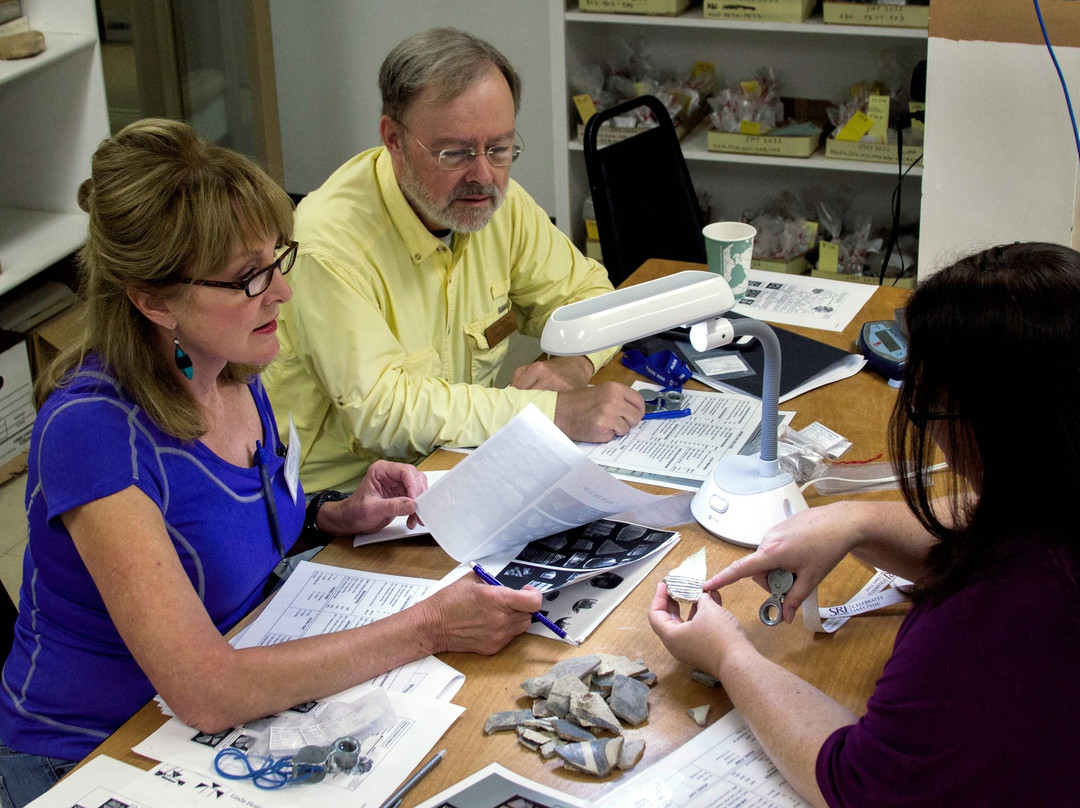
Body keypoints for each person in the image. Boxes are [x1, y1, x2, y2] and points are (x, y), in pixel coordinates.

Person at [0, 119, 542, 808]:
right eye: (246, 278)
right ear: (152, 299)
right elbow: (206, 691)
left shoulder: (228, 363)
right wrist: (431, 624)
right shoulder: (93, 432)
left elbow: (215, 520)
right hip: (93, 757)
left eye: (275, 261)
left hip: (213, 719)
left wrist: (328, 513)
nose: (280, 294)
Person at [649, 242, 1080, 807]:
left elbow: (857, 783)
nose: (928, 428)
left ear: (988, 424)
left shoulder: (992, 621)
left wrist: (729, 656)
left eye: (930, 407)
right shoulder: (1057, 493)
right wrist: (853, 520)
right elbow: (999, 521)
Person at [264, 28, 645, 494]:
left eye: (500, 149)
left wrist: (574, 366)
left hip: (458, 468)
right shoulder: (328, 244)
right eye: (455, 153)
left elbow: (590, 295)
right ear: (394, 139)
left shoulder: (496, 205)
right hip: (337, 509)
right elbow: (384, 413)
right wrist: (553, 413)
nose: (483, 175)